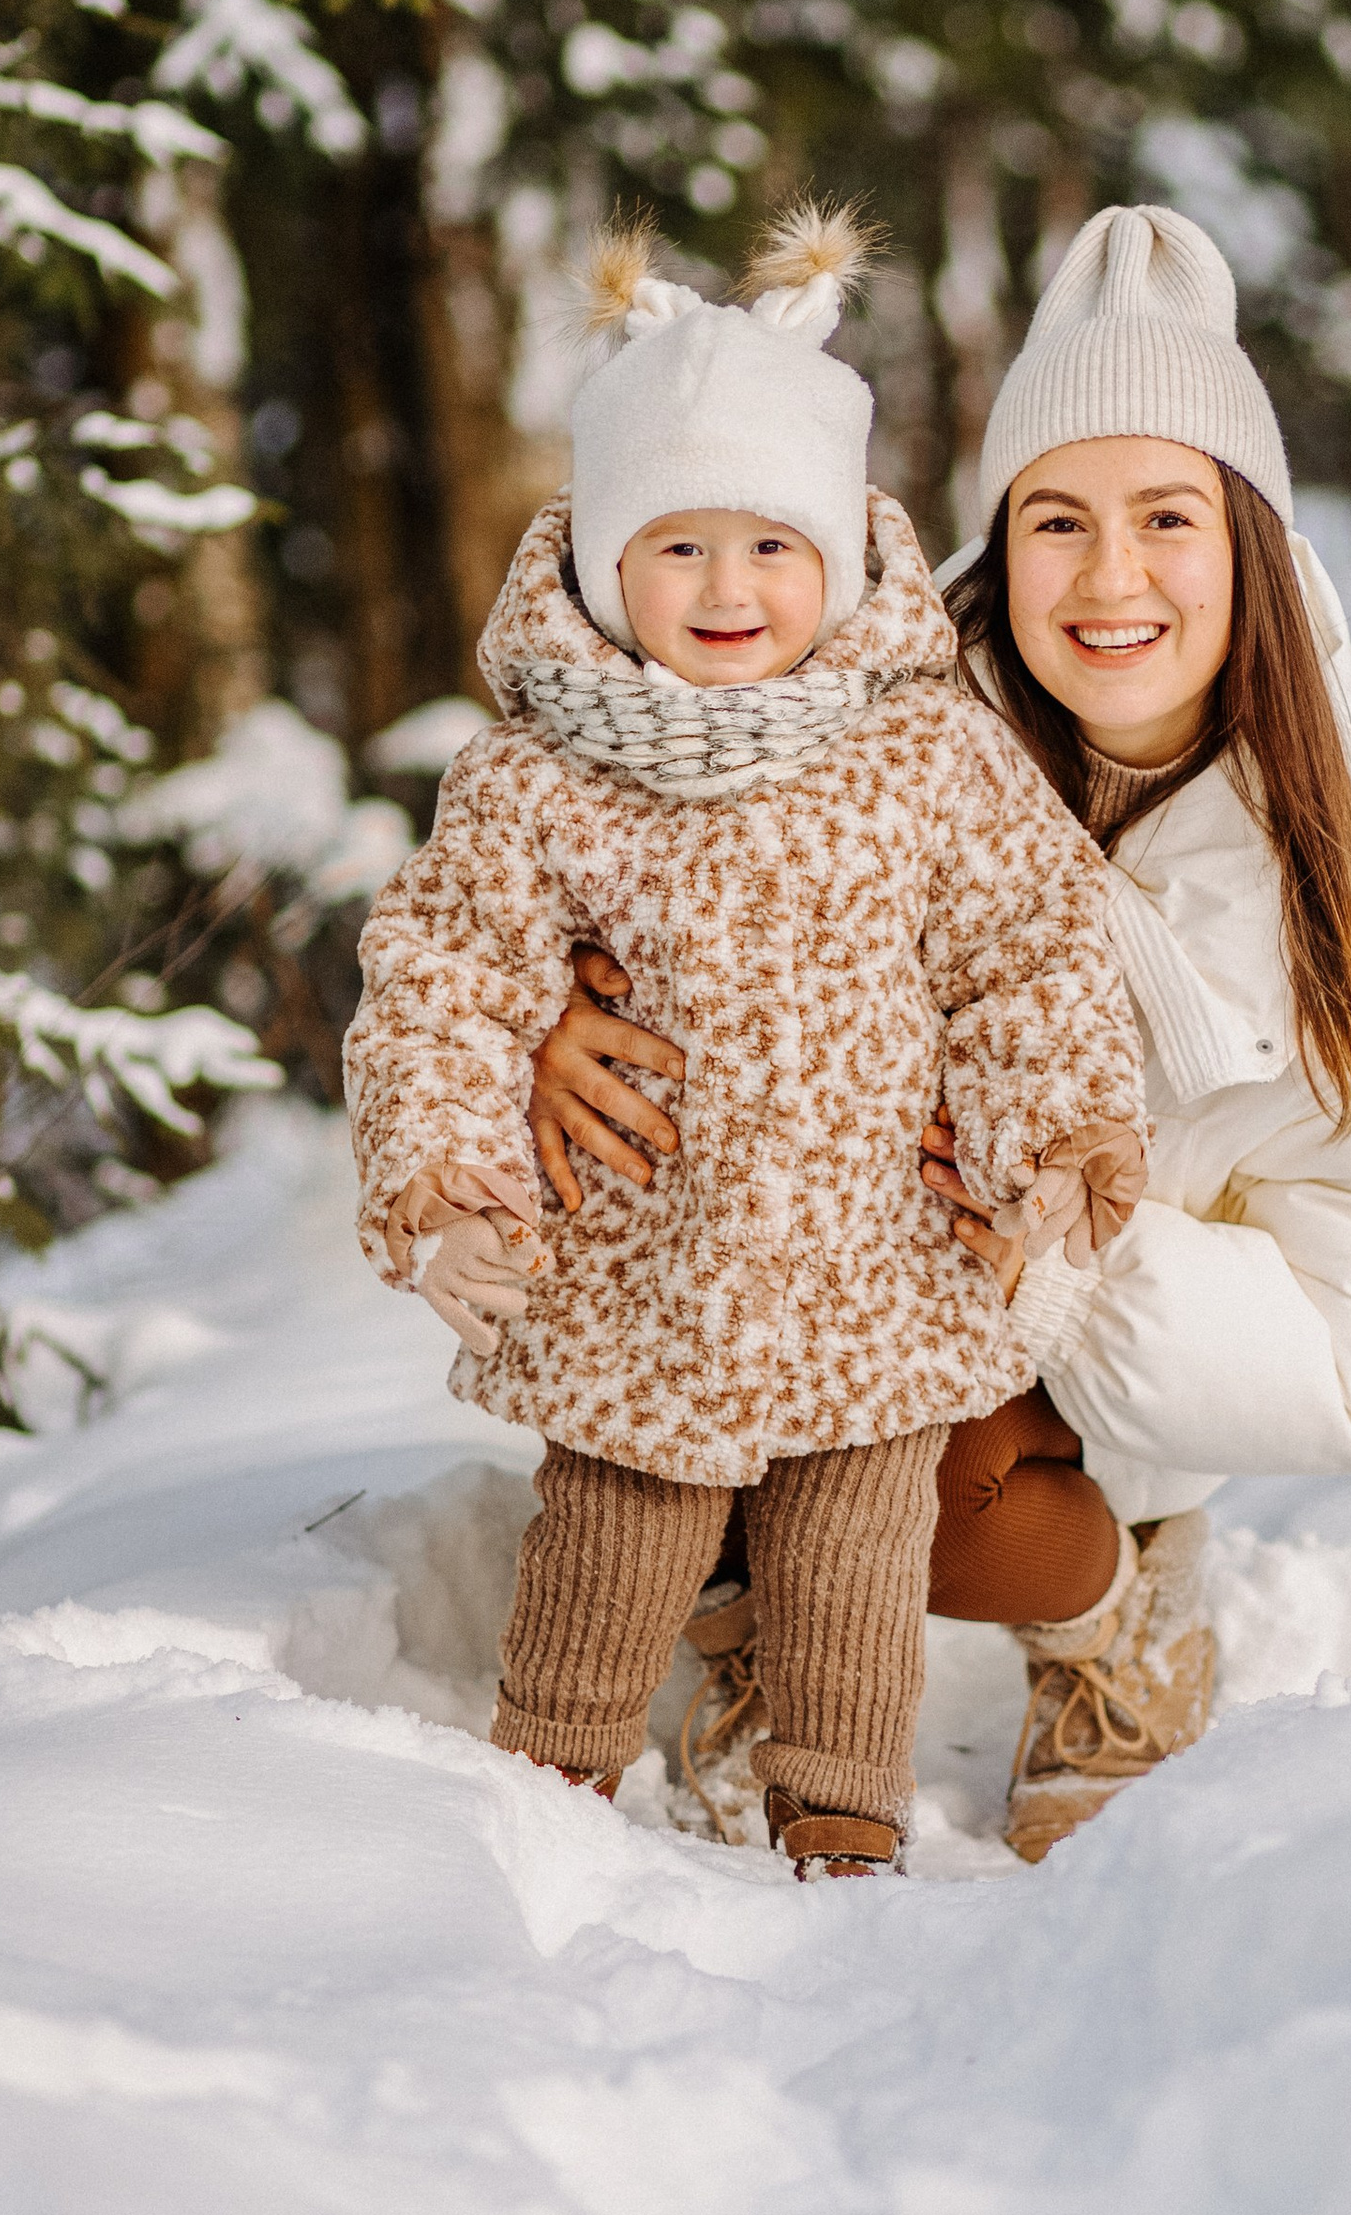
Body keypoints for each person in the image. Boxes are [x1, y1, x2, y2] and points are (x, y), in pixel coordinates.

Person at [528, 205, 1351, 1861]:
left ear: (1256, 549)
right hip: (792, 1280)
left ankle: (1114, 1620)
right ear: (1000, 545)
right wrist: (561, 1029)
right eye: (1057, 520)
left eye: (1168, 518)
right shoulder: (861, 738)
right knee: (672, 1390)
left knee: (947, 1500)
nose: (1111, 577)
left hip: (1108, 1383)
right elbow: (581, 875)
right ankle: (749, 1622)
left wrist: (1076, 1237)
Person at [344, 209, 1147, 1879]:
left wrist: (1055, 1147)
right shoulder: (538, 775)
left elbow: (1030, 947)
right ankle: (543, 1789)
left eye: (771, 546)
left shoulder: (928, 755)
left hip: (876, 1269)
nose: (728, 589)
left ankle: (842, 1806)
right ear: (606, 563)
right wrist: (445, 1176)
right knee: (610, 1539)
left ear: (844, 556)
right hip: (642, 1275)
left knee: (857, 1548)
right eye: (681, 547)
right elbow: (444, 971)